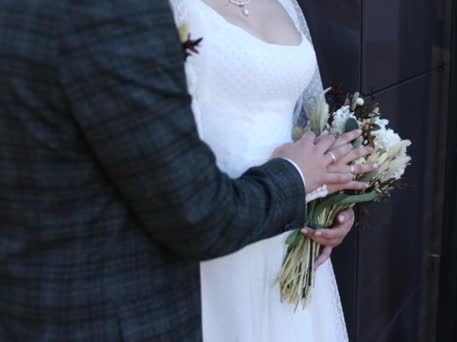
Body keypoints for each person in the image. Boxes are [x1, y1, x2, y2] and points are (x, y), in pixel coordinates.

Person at [0, 0, 372, 340]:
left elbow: (304, 115)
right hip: (201, 231)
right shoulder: (146, 10)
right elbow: (189, 203)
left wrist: (327, 193)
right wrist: (296, 176)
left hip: (280, 231)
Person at [168, 0, 375, 341]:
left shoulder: (286, 5)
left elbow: (306, 121)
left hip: (289, 234)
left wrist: (332, 203)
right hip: (217, 224)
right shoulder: (169, 8)